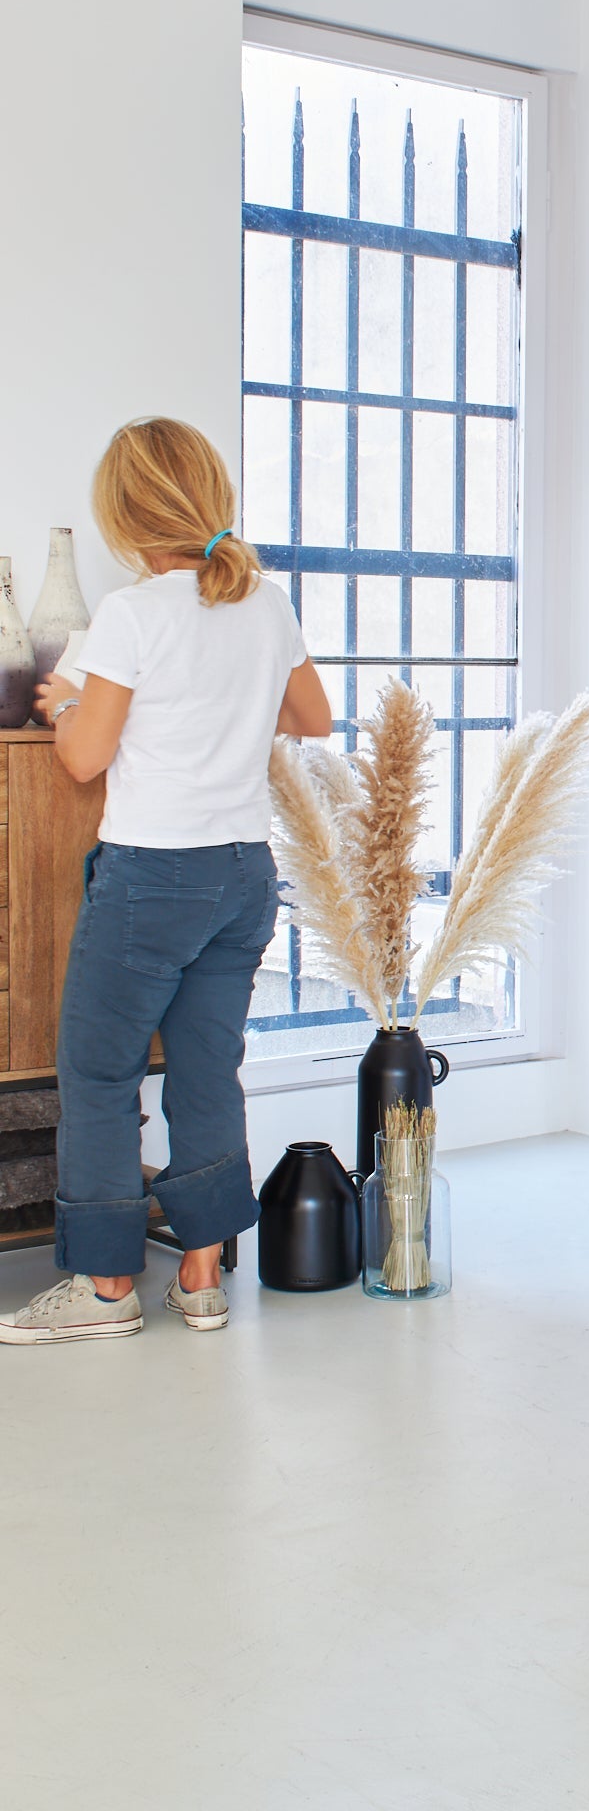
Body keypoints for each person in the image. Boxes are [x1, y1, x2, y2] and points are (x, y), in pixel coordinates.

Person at [0, 417, 331, 1344]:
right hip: (241, 874)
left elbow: (80, 760)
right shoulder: (265, 600)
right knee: (203, 1067)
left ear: (125, 514)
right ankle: (200, 1278)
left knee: (99, 1071)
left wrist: (71, 704)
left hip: (154, 874)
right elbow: (314, 718)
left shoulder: (134, 615)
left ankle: (106, 1291)